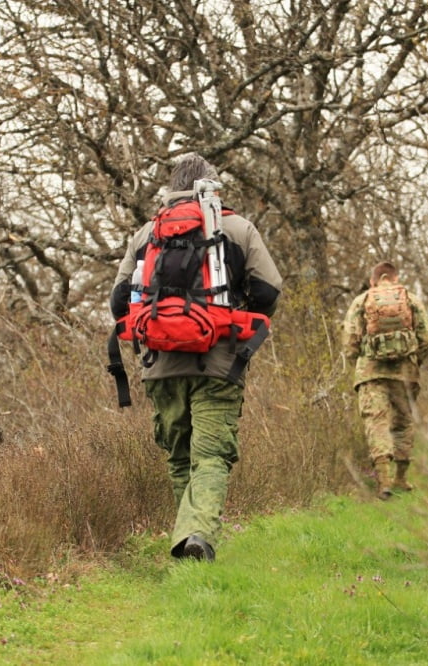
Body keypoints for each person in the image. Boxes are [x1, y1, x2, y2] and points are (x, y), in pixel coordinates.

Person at [110, 153, 282, 562]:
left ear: (172, 188)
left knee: (180, 455)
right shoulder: (236, 228)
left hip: (159, 365)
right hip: (218, 361)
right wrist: (226, 313)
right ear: (213, 186)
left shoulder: (147, 233)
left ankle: (187, 541)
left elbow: (119, 301)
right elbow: (268, 292)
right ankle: (198, 535)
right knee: (212, 456)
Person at [342, 261, 428, 499]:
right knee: (403, 422)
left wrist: (359, 364)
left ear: (373, 280)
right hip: (405, 373)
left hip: (371, 373)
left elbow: (350, 341)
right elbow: (425, 337)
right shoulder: (411, 299)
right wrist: (415, 362)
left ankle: (383, 482)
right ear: (395, 278)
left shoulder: (361, 301)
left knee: (377, 423)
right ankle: (401, 478)